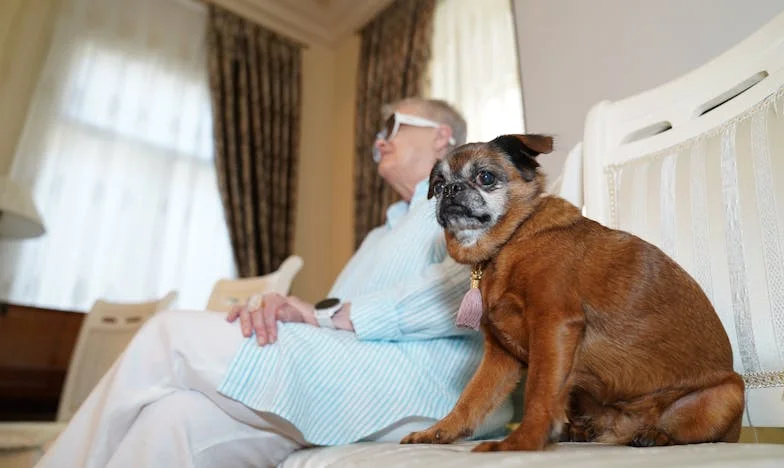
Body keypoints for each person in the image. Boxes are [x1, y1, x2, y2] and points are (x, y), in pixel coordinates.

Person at [36, 98, 513, 468]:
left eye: (393, 127)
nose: (380, 142)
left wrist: (329, 315)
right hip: (346, 373)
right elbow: (333, 315)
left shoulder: (473, 196)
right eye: (376, 138)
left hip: (426, 383)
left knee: (169, 335)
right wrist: (294, 310)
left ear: (442, 137)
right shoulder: (378, 236)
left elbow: (475, 284)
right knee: (172, 417)